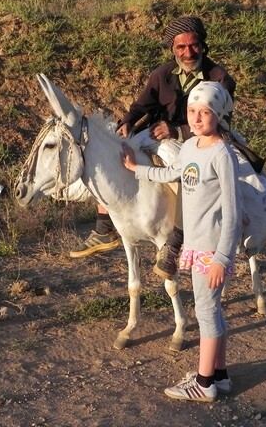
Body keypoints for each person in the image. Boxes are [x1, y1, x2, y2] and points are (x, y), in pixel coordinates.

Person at [69, 16, 237, 269]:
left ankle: (176, 238)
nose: (188, 52)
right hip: (157, 133)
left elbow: (222, 122)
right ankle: (104, 227)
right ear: (173, 48)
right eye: (181, 47)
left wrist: (177, 130)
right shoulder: (163, 74)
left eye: (193, 45)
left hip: (200, 138)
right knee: (116, 156)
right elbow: (142, 104)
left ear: (203, 45)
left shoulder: (220, 78)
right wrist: (127, 121)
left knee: (186, 174)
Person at [122, 81, 243, 401]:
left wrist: (223, 258)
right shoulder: (189, 147)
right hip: (195, 243)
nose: (197, 118)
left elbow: (233, 212)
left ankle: (204, 385)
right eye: (192, 111)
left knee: (206, 310)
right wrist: (138, 170)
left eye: (205, 112)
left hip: (213, 247)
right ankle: (220, 376)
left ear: (218, 115)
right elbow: (172, 174)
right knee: (211, 310)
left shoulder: (222, 154)